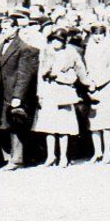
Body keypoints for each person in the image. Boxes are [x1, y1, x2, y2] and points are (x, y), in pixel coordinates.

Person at [35, 26, 85, 166]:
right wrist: (40, 93)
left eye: (59, 40)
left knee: (64, 127)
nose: (56, 43)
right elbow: (40, 74)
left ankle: (63, 156)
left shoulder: (70, 54)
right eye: (53, 40)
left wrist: (59, 76)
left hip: (63, 92)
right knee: (49, 127)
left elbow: (75, 76)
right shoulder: (46, 53)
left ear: (64, 42)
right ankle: (51, 156)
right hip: (49, 91)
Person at [0, 17, 39, 169]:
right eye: (2, 29)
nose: (4, 31)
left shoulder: (23, 48)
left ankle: (17, 159)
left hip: (13, 92)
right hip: (3, 91)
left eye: (7, 28)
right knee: (5, 125)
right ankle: (9, 158)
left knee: (16, 125)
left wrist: (18, 96)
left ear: (15, 28)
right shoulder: (1, 45)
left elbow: (24, 74)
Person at [84, 20, 110, 162]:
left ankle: (107, 152)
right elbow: (86, 66)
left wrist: (98, 83)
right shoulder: (89, 47)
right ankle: (97, 152)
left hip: (106, 86)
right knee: (94, 122)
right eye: (95, 34)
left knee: (106, 122)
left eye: (101, 34)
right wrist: (89, 82)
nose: (98, 37)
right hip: (92, 87)